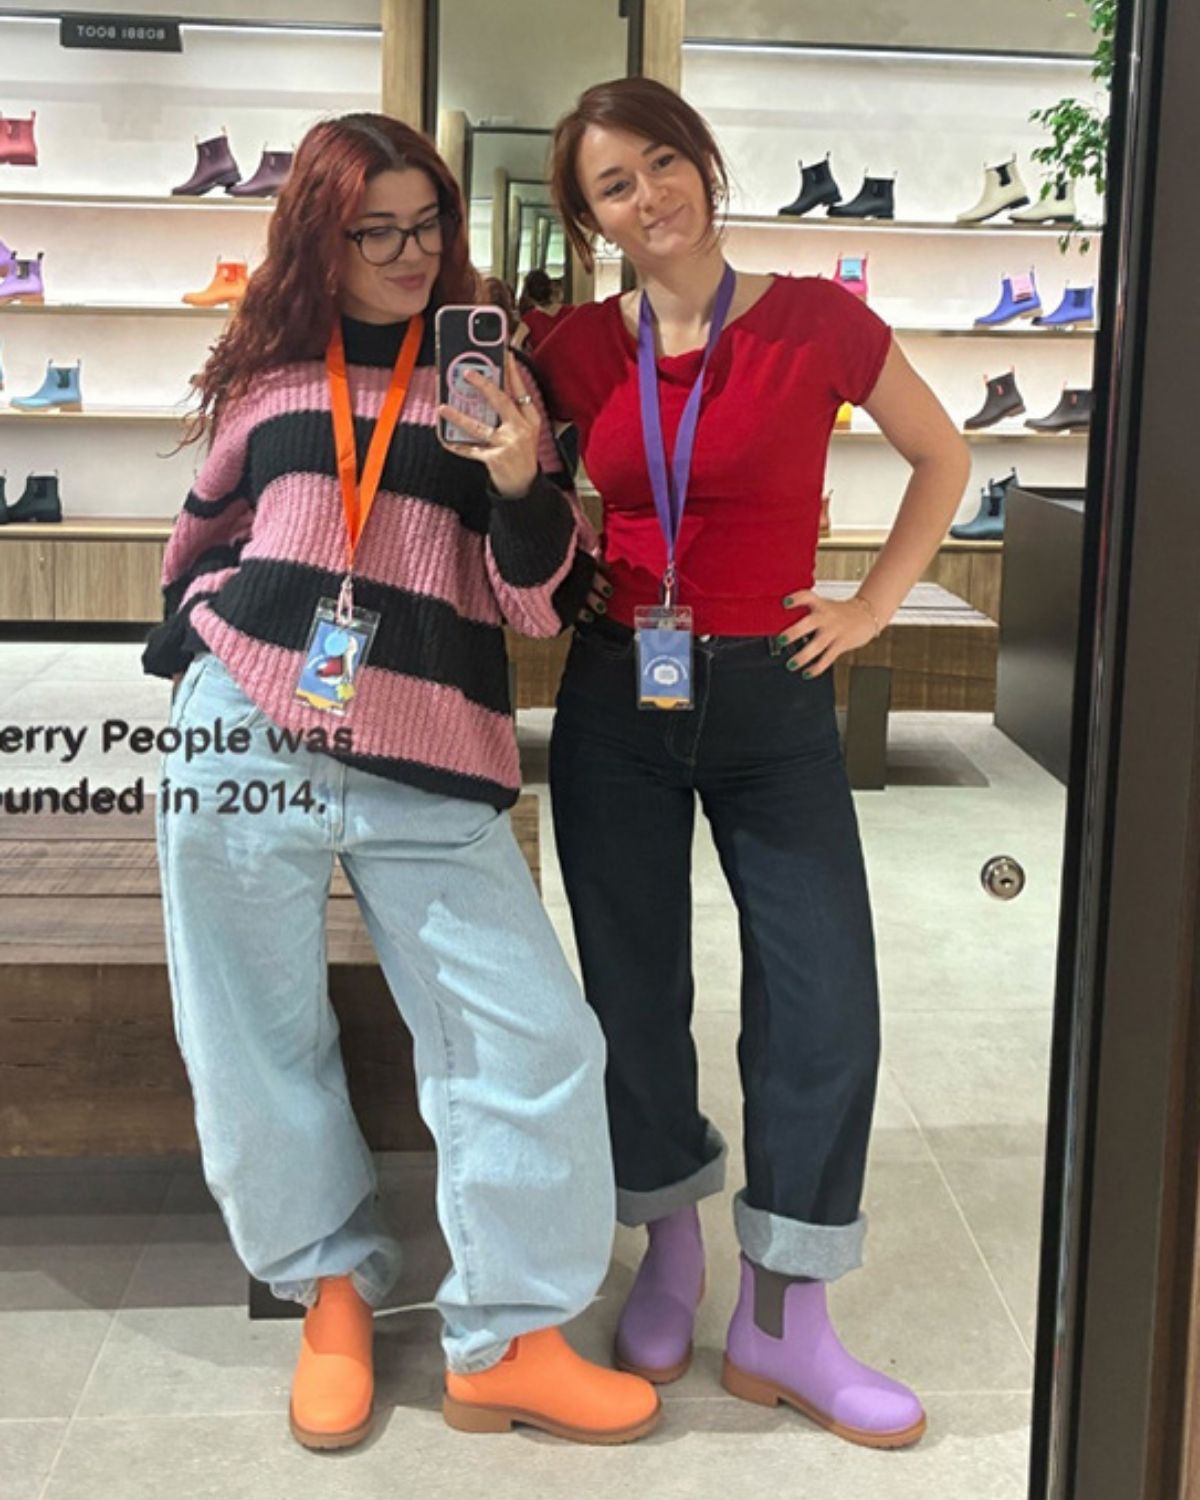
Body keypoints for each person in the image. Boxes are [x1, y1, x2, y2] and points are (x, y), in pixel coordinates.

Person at [141, 111, 659, 1452]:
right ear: (319, 231)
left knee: (533, 1035)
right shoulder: (269, 377)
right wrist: (200, 644)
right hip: (246, 732)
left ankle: (508, 1335)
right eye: (375, 229)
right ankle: (328, 1288)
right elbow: (198, 538)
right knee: (251, 1033)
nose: (410, 252)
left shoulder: (495, 377)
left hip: (429, 746)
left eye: (427, 224)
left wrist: (523, 482)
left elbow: (535, 606)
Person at [535, 77, 972, 1449]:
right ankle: (671, 1250)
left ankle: (786, 1315)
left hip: (777, 693)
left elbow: (940, 454)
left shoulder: (814, 322)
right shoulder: (571, 352)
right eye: (615, 184)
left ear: (705, 167)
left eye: (663, 162)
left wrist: (871, 604)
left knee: (822, 991)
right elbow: (518, 496)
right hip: (617, 692)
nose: (648, 195)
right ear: (589, 219)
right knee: (631, 985)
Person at [518, 267, 573, 351]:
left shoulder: (529, 320)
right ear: (551, 287)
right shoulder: (571, 312)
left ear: (528, 295)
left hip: (541, 363)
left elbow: (514, 346)